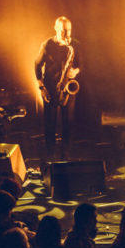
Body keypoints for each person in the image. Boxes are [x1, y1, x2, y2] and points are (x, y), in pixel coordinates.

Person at [35, 16, 80, 161]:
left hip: (68, 89)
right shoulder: (47, 44)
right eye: (63, 31)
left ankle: (65, 155)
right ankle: (50, 155)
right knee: (50, 124)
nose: (67, 35)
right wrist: (42, 87)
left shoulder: (75, 45)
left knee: (69, 123)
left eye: (69, 30)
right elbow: (37, 65)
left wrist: (75, 71)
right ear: (55, 28)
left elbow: (81, 65)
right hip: (50, 88)